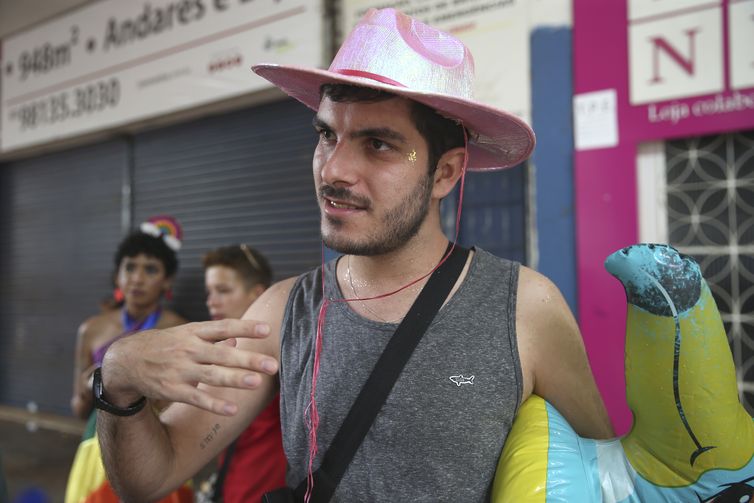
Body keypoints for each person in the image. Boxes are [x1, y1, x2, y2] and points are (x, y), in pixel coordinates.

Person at [96, 9, 615, 502]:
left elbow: (604, 475)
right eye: (327, 135)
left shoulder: (525, 309)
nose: (333, 170)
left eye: (378, 144)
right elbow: (149, 479)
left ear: (446, 173)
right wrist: (116, 379)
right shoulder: (281, 313)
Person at [65, 216, 192, 503]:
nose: (137, 277)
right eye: (130, 266)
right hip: (99, 448)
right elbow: (77, 408)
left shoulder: (178, 330)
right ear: (118, 274)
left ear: (167, 280)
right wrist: (92, 386)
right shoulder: (91, 329)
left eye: (150, 269)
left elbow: (185, 406)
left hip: (159, 447)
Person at [200, 245, 286, 502]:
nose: (211, 301)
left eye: (223, 291)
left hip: (264, 489)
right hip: (230, 485)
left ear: (257, 293)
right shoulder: (221, 348)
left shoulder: (282, 349)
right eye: (209, 292)